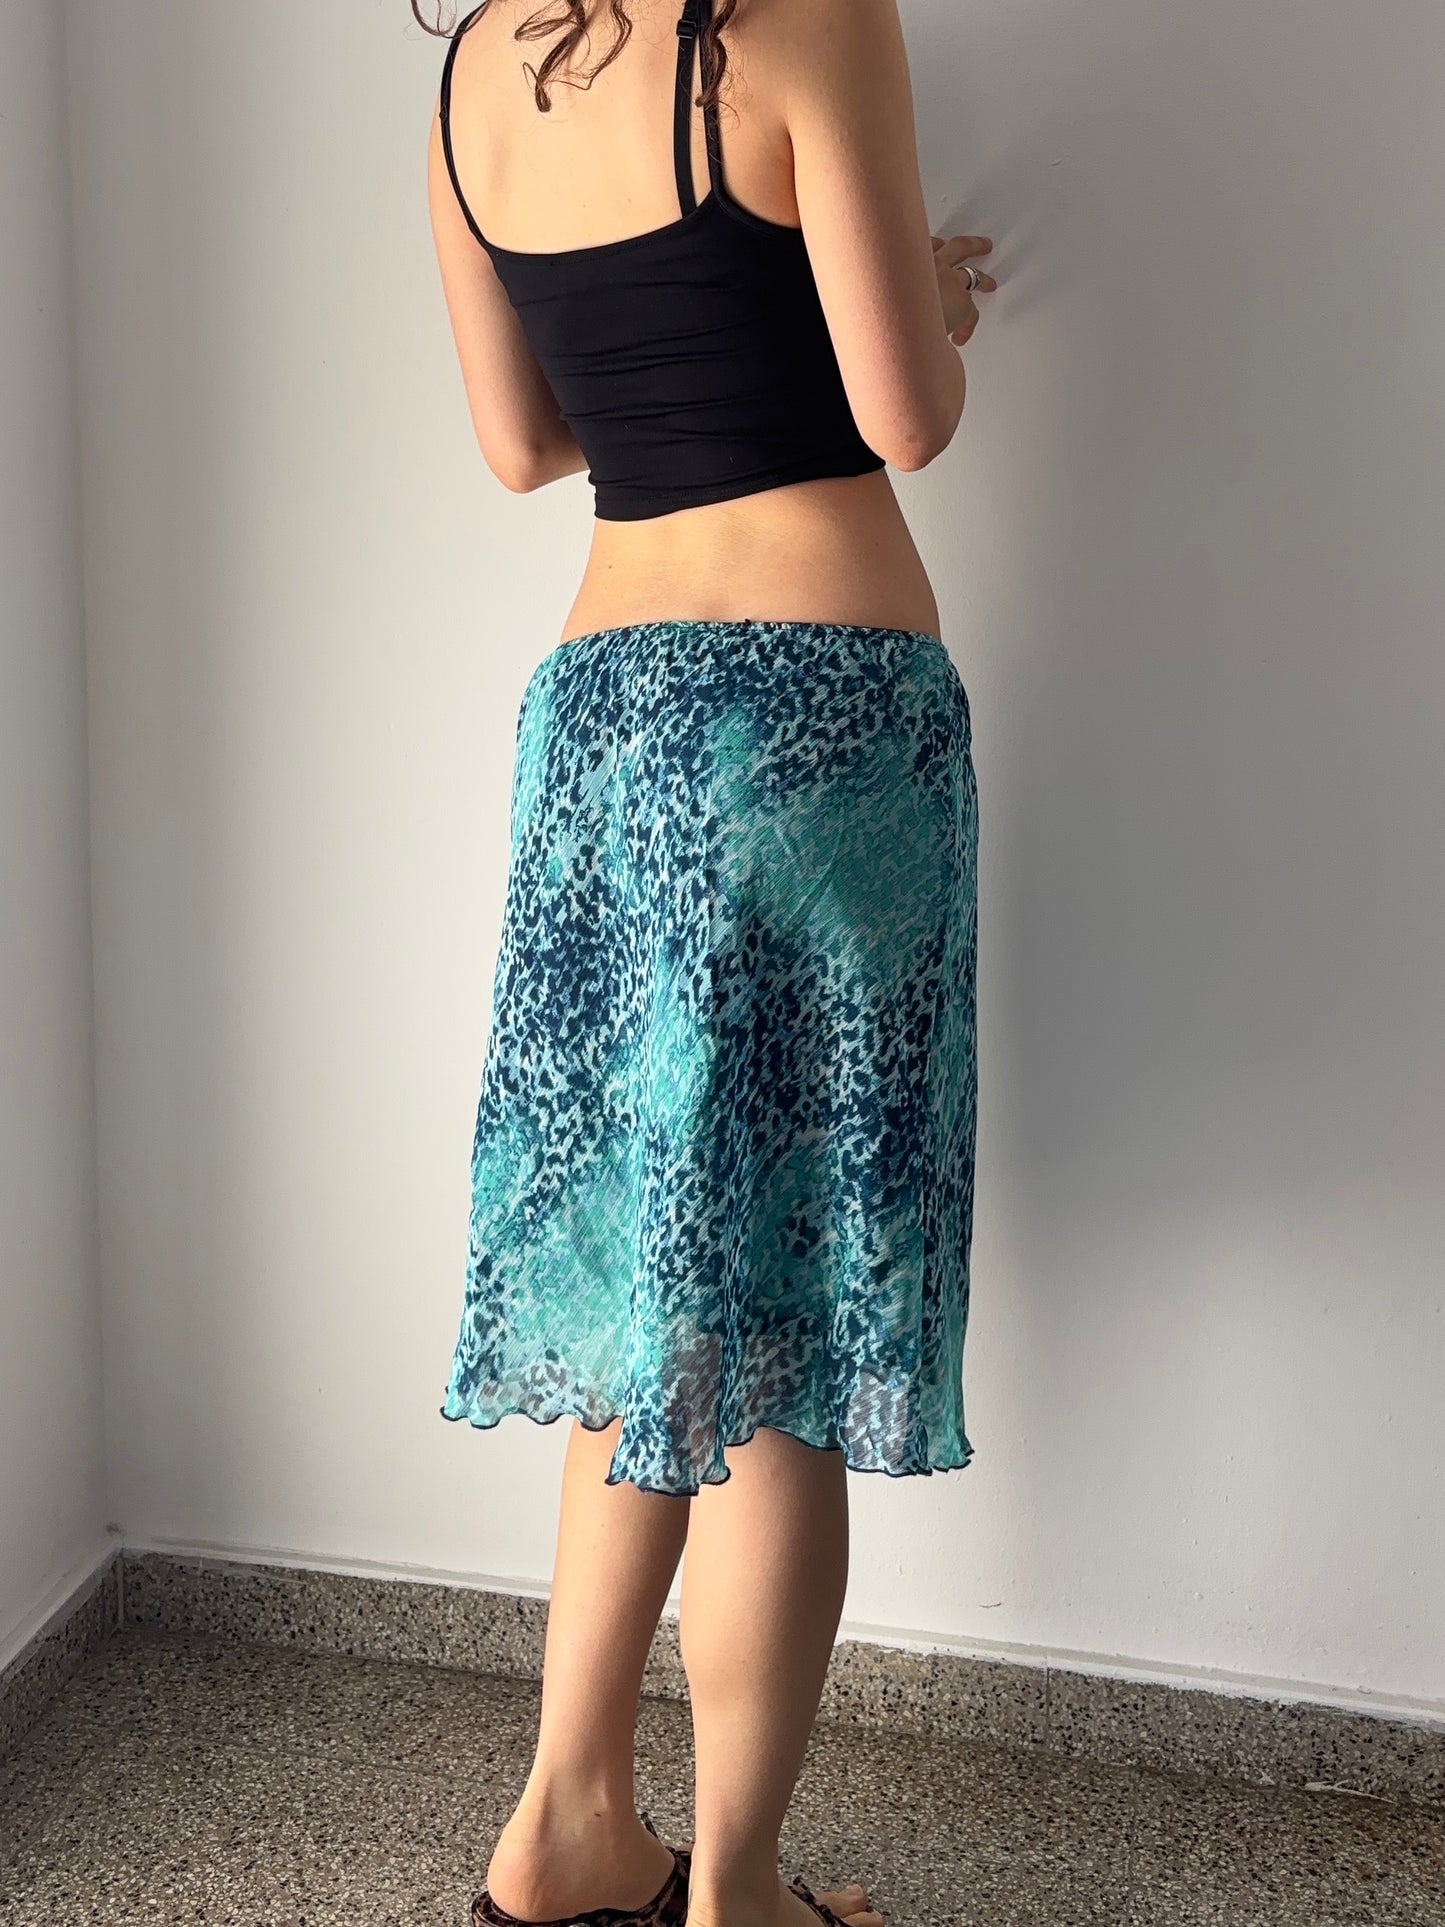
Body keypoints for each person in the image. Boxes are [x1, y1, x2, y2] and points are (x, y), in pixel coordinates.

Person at [421, 2, 993, 1922]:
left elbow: (521, 444)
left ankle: (564, 1822)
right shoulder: (805, 14)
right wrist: (922, 300)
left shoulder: (475, 67)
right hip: (817, 716)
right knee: (784, 1329)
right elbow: (905, 413)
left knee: (637, 1287)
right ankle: (732, 1892)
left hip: (602, 726)